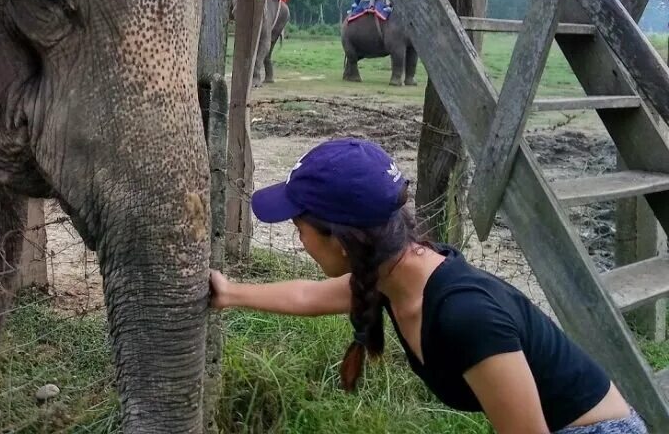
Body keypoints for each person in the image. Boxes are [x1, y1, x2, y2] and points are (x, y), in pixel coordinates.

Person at [209, 138, 646, 434]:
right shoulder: (395, 275)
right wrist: (229, 293)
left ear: (341, 241)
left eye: (298, 227)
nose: (297, 240)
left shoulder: (465, 317)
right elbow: (307, 295)